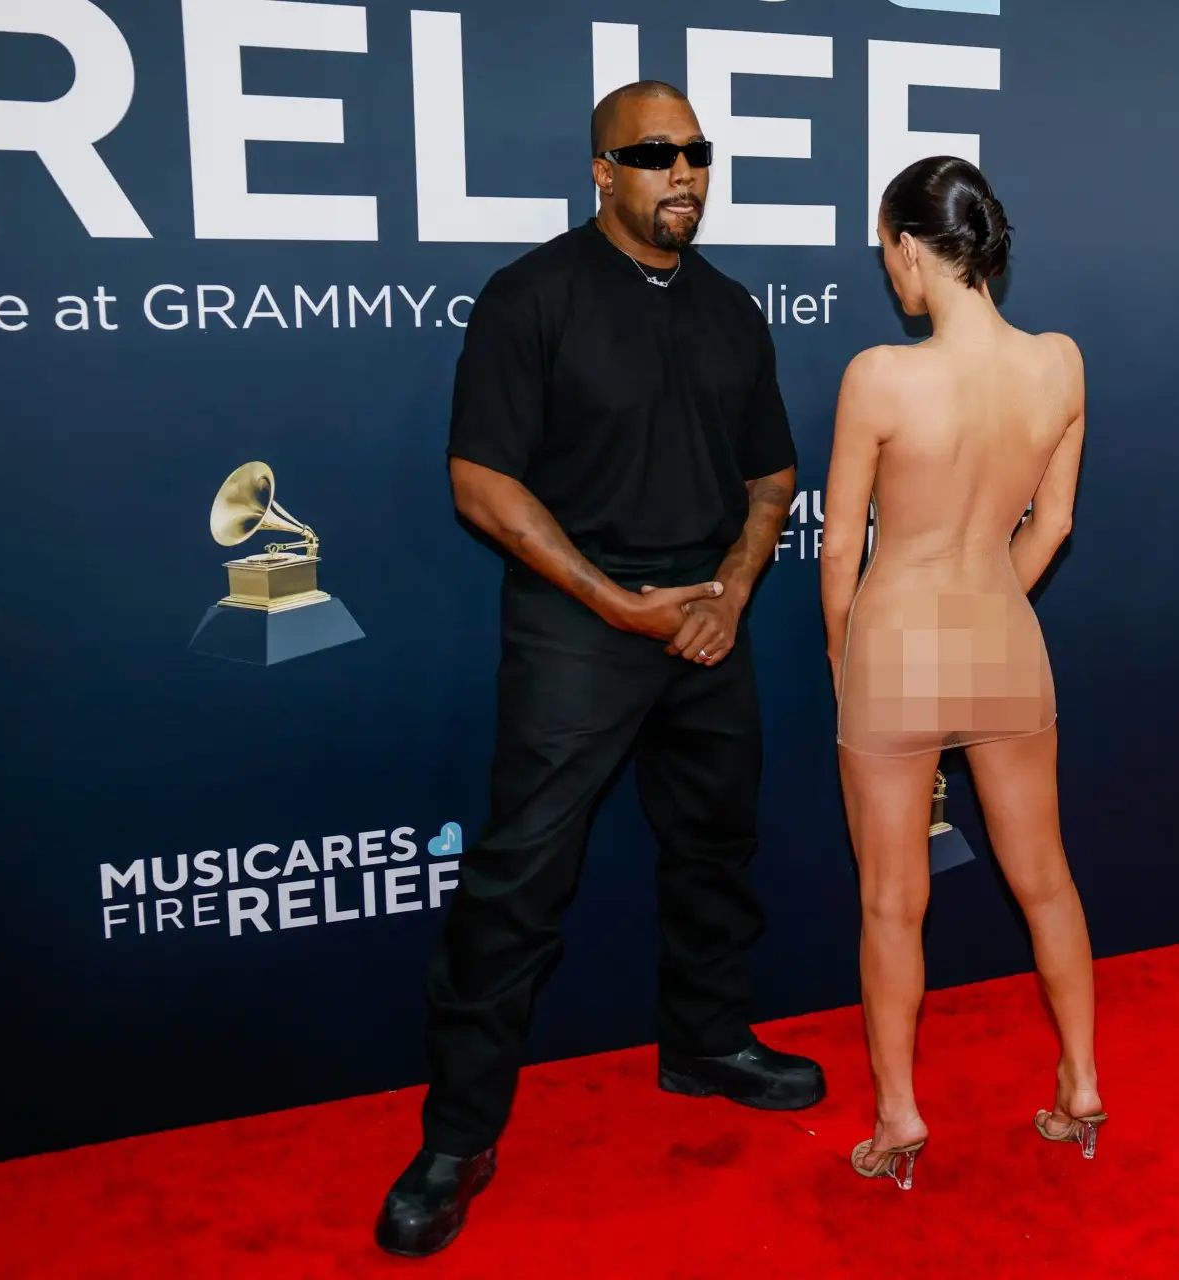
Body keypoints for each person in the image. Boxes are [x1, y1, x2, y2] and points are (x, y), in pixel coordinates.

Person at [376, 80, 824, 1257]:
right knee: (516, 882)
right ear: (602, 171)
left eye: (697, 154)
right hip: (581, 620)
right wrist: (614, 601)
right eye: (654, 153)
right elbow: (483, 482)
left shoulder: (732, 310)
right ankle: (458, 1134)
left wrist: (729, 587)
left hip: (706, 624)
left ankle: (707, 1040)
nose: (683, 172)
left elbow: (772, 477)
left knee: (716, 848)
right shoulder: (533, 297)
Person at [819, 157, 1103, 1189]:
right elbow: (1056, 519)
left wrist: (851, 658)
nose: (886, 270)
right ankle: (1080, 1086)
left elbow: (840, 549)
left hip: (897, 642)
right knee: (1048, 879)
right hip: (1004, 632)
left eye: (884, 249)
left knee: (893, 900)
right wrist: (995, 598)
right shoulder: (1060, 363)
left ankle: (899, 1119)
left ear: (907, 244)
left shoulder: (878, 377)